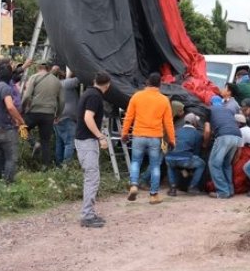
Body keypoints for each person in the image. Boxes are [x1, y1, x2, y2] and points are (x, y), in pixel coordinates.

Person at [121, 72, 175, 205]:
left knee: (136, 162)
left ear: (147, 83)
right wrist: (172, 140)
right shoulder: (164, 100)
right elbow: (168, 123)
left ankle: (134, 185)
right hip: (155, 137)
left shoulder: (137, 96)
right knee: (155, 165)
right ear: (160, 85)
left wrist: (124, 133)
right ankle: (153, 195)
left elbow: (129, 117)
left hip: (138, 135)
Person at [74, 71, 112, 228]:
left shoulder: (89, 93)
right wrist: (101, 137)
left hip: (83, 140)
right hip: (87, 141)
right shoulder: (95, 97)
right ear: (108, 85)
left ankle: (89, 213)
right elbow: (88, 117)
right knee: (92, 178)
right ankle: (87, 216)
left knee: (91, 177)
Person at [0, 62, 28, 183]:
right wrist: (21, 121)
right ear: (11, 75)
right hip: (6, 129)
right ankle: (8, 185)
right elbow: (10, 107)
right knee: (11, 158)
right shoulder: (6, 88)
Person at [22, 61, 64, 168]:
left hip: (34, 112)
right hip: (49, 114)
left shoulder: (34, 77)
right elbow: (62, 101)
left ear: (38, 68)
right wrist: (58, 115)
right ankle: (45, 167)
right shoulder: (57, 81)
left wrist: (22, 109)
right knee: (45, 142)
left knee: (21, 128)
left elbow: (26, 96)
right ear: (49, 69)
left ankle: (33, 143)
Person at [205, 96, 242, 199]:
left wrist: (205, 143)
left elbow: (207, 130)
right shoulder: (228, 110)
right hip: (237, 137)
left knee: (214, 164)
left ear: (211, 103)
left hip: (224, 137)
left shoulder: (209, 109)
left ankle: (223, 192)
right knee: (226, 164)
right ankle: (230, 190)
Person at [165, 113, 205, 196]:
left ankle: (172, 188)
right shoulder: (197, 134)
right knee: (201, 164)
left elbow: (170, 144)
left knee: (170, 164)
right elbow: (196, 152)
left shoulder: (176, 130)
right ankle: (192, 187)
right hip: (185, 159)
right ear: (194, 123)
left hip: (170, 157)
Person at [55, 68, 80, 167]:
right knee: (69, 142)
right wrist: (71, 73)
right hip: (67, 117)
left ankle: (58, 165)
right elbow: (80, 79)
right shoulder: (66, 84)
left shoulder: (56, 85)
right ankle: (66, 166)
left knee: (59, 142)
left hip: (58, 117)